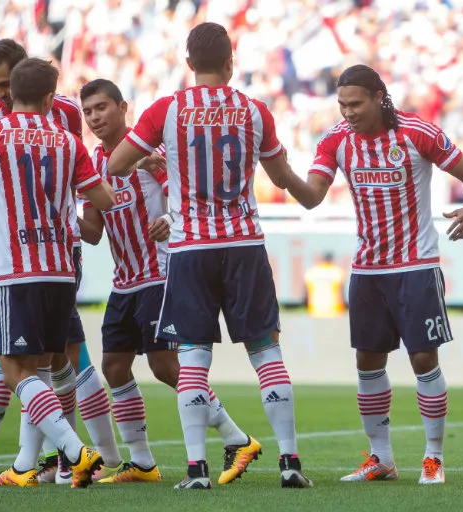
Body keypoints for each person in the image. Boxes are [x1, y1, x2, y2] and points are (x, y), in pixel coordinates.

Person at [107, 22, 312, 490]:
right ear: (229, 62)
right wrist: (308, 192)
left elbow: (115, 165)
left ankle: (197, 469)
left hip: (191, 247)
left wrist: (149, 159)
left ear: (188, 64)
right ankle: (290, 461)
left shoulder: (167, 109)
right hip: (243, 243)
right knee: (266, 351)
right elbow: (281, 177)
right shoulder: (254, 111)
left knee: (194, 357)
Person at [0, 40, 124, 485]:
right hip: (51, 259)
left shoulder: (31, 123)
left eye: (2, 85)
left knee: (40, 360)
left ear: (20, 74)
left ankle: (74, 454)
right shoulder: (2, 126)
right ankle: (31, 462)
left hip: (26, 263)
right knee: (36, 357)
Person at [283, 64, 463, 485]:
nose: (348, 112)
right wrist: (280, 169)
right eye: (342, 104)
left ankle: (433, 457)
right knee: (367, 362)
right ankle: (381, 458)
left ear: (379, 96)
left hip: (415, 265)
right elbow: (311, 198)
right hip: (368, 269)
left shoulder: (417, 133)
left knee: (423, 358)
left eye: (355, 103)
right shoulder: (336, 141)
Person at [78, 79, 262, 485]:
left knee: (165, 367)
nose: (94, 117)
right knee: (114, 366)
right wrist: (55, 213)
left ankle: (235, 437)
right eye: (87, 111)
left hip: (161, 274)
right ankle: (142, 462)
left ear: (124, 107)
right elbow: (92, 231)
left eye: (101, 107)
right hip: (125, 280)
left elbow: (187, 198)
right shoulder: (91, 163)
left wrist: (171, 220)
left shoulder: (154, 155)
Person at [304, 252, 346, 318]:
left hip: (314, 310)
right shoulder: (337, 271)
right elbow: (340, 293)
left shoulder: (312, 271)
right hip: (334, 311)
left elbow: (306, 293)